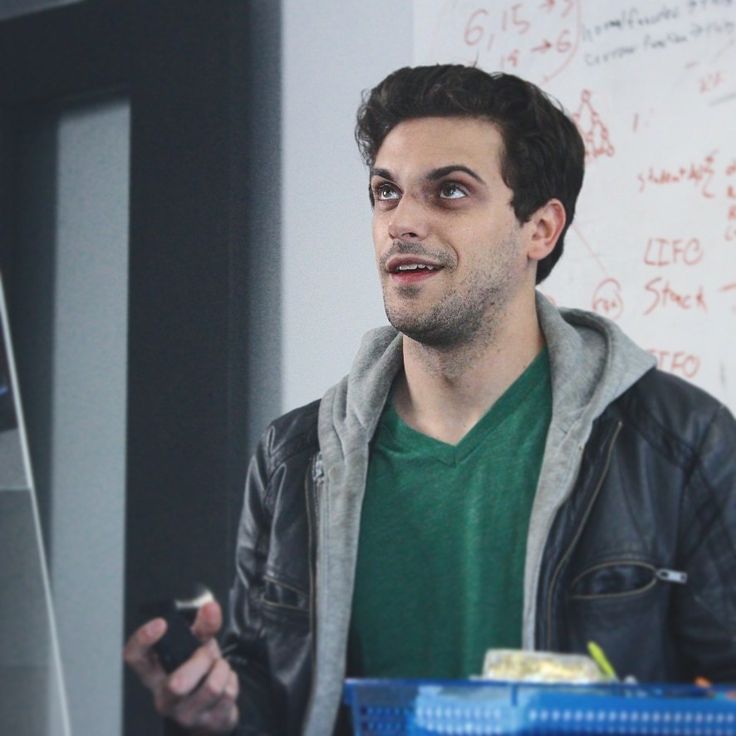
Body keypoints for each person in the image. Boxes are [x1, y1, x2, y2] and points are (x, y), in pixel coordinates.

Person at [124, 64, 736, 735]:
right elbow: (273, 689)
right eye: (386, 193)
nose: (403, 222)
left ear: (540, 228)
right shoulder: (294, 457)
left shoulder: (678, 442)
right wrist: (218, 705)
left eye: (449, 192)